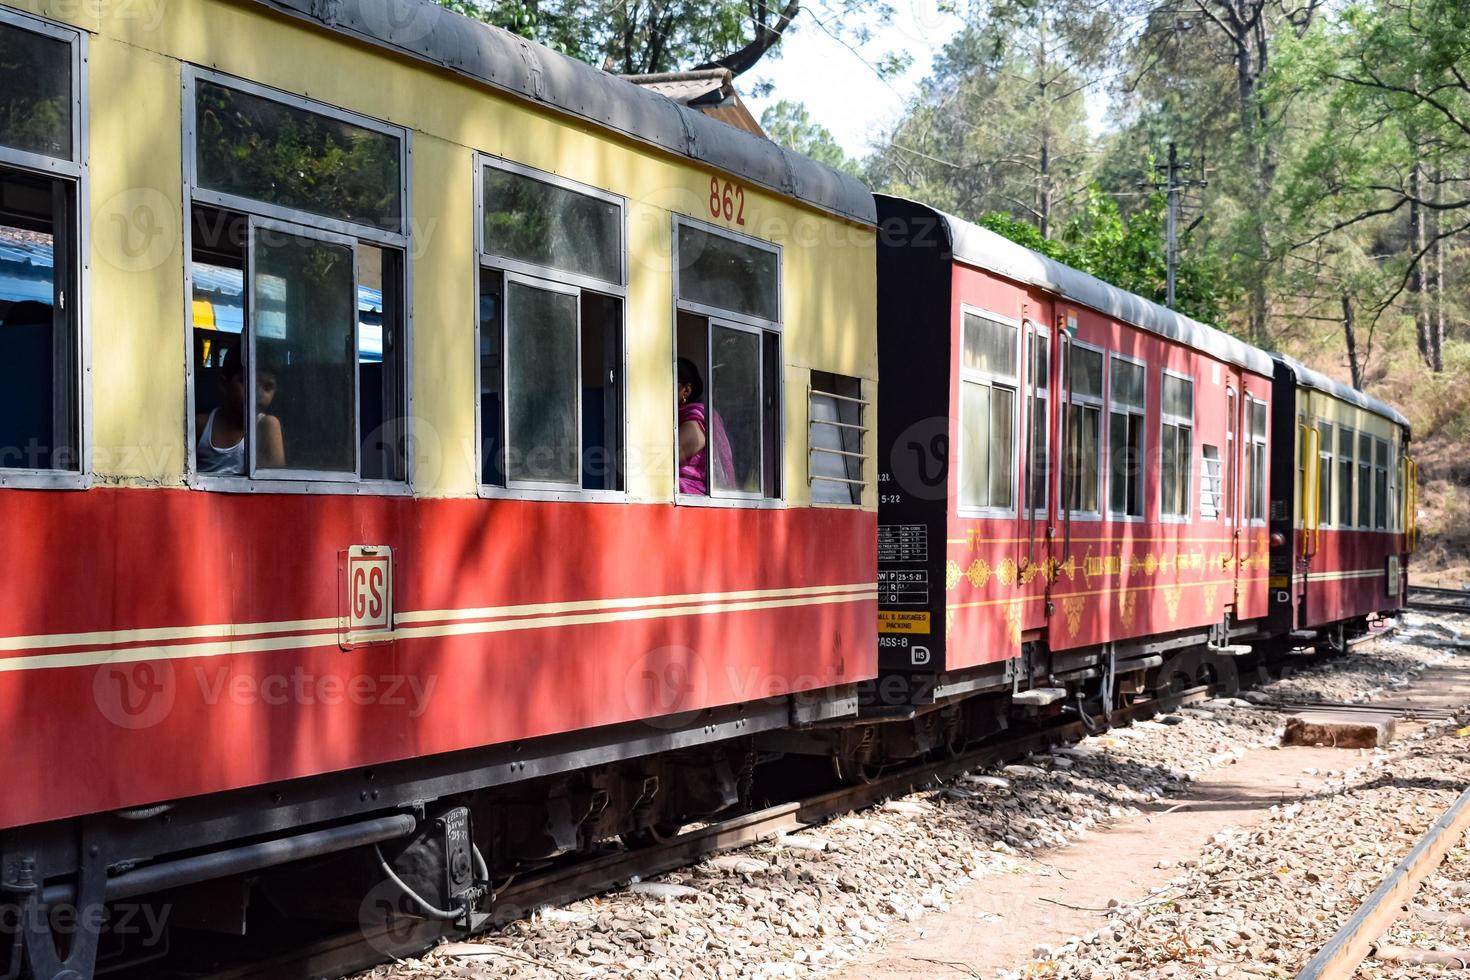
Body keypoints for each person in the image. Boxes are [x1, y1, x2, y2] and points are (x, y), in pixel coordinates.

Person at [195, 344, 285, 474]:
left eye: (267, 387)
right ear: (224, 384)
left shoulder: (267, 426)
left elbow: (277, 483)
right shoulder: (202, 425)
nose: (257, 393)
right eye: (247, 381)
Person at [677, 357, 735, 494]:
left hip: (690, 500)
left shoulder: (695, 418)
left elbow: (666, 459)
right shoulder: (679, 417)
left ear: (686, 391)